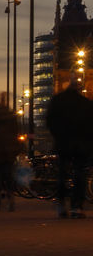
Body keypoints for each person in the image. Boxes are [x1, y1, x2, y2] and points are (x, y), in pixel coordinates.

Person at [45, 78, 93, 218]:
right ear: (79, 88)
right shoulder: (85, 103)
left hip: (63, 143)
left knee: (62, 173)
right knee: (80, 174)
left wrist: (57, 135)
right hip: (81, 145)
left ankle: (61, 204)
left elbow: (49, 120)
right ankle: (76, 206)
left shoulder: (57, 101)